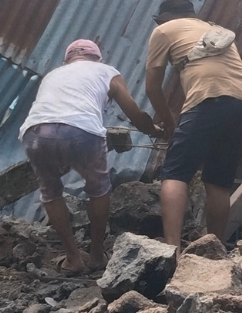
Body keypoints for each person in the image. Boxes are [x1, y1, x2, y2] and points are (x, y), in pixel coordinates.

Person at [20, 39, 161, 273]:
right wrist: (153, 130)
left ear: (67, 61)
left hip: (35, 133)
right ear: (98, 59)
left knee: (51, 192)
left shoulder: (53, 74)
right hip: (81, 131)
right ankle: (96, 256)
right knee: (99, 189)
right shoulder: (107, 72)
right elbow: (135, 114)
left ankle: (73, 258)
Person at [144, 0, 242, 249]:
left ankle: (173, 250)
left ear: (163, 18)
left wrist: (170, 125)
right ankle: (214, 247)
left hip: (208, 97)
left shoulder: (163, 31)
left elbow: (152, 87)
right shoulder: (212, 30)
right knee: (218, 179)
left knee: (174, 173)